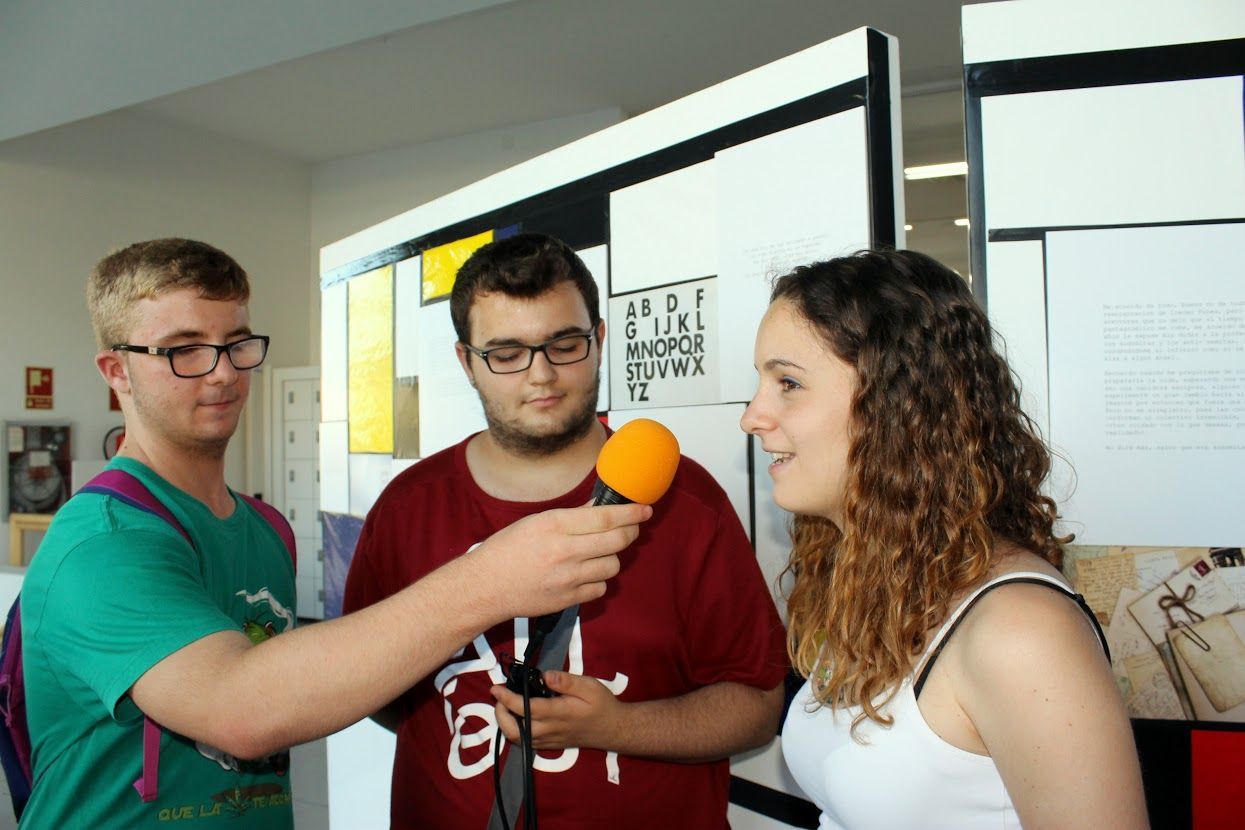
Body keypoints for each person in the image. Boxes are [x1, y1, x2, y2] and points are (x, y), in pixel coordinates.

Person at [19, 238, 648, 828]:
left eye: (237, 343)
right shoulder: (101, 543)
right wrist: (491, 580)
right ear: (116, 370)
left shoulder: (264, 530)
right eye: (184, 350)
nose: (222, 374)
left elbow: (311, 690)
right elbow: (240, 711)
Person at [343, 232, 787, 829]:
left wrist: (617, 727)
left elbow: (757, 707)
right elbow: (367, 689)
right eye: (506, 353)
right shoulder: (405, 510)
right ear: (466, 361)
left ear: (599, 340)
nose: (541, 375)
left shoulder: (686, 500)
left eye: (565, 343)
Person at [740, 249, 1149, 830]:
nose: (753, 415)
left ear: (895, 402)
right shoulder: (875, 582)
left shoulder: (1021, 632)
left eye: (788, 383)